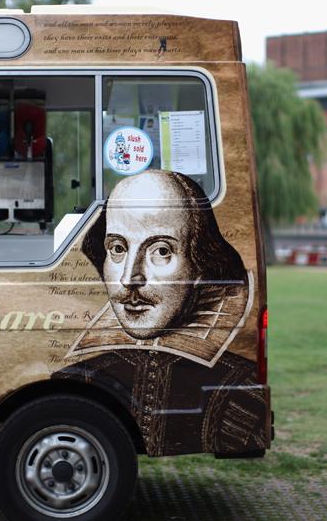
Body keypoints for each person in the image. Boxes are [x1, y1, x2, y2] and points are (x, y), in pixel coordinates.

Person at [53, 170, 266, 456]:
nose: (130, 277)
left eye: (161, 251)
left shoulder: (241, 394)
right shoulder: (74, 378)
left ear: (201, 264)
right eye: (117, 248)